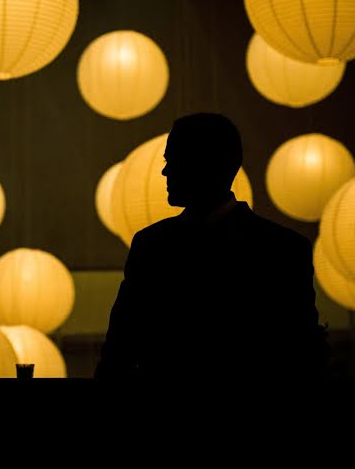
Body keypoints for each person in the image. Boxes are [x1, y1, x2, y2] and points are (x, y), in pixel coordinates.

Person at [95, 113, 330, 388]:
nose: (165, 171)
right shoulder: (283, 248)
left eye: (173, 160)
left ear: (207, 164)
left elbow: (120, 348)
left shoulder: (153, 245)